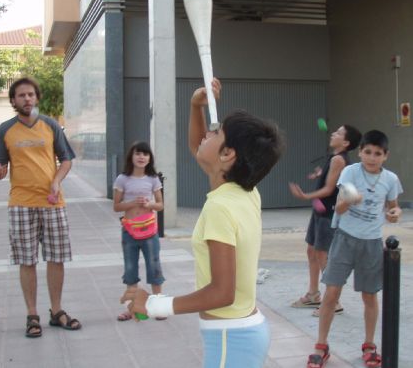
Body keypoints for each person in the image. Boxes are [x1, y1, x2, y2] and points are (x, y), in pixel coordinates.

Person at [121, 78, 284, 368]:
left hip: (230, 339)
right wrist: (196, 106)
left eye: (215, 132)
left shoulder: (220, 207)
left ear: (227, 154)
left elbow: (223, 292)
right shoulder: (246, 192)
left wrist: (155, 304)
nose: (206, 135)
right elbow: (200, 148)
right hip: (242, 332)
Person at [0, 77, 81, 338]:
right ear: (13, 101)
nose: (27, 99)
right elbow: (0, 165)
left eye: (30, 95)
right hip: (21, 204)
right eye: (21, 95)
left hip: (53, 203)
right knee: (26, 260)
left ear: (36, 98)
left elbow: (66, 160)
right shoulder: (5, 130)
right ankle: (32, 315)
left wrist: (56, 180)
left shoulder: (50, 125)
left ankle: (57, 311)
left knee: (56, 257)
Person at [307, 130, 402, 368]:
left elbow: (393, 209)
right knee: (331, 294)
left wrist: (394, 214)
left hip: (371, 243)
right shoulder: (350, 172)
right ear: (360, 152)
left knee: (370, 296)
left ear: (385, 156)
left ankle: (369, 345)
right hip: (344, 239)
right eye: (367, 152)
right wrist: (349, 200)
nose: (371, 157)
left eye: (377, 153)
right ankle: (321, 345)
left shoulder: (390, 179)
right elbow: (337, 210)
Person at [289, 124, 361, 316]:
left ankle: (333, 301)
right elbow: (331, 179)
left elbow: (330, 190)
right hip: (320, 212)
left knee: (322, 254)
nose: (333, 134)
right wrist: (320, 174)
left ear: (345, 142)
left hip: (329, 212)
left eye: (338, 133)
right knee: (312, 250)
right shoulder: (334, 158)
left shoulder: (339, 159)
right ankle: (313, 294)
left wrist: (305, 196)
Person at [113, 141, 165, 321]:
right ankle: (132, 308)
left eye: (145, 154)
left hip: (150, 232)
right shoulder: (122, 179)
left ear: (150, 158)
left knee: (154, 267)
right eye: (138, 154)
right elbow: (116, 206)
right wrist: (133, 203)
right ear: (131, 157)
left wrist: (149, 204)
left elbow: (160, 205)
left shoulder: (153, 179)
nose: (142, 157)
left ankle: (159, 307)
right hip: (129, 231)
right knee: (130, 269)